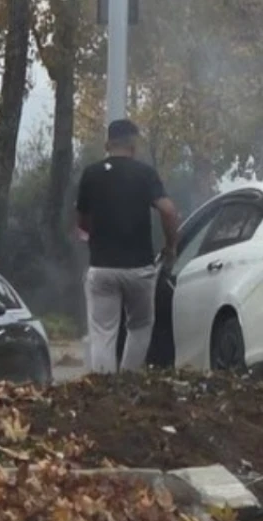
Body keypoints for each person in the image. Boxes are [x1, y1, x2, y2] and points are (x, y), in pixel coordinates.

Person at [74, 119, 181, 374]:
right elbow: (168, 210)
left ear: (107, 144)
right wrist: (171, 246)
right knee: (140, 325)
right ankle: (128, 380)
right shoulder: (145, 174)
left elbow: (81, 220)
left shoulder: (91, 174)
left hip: (101, 268)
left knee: (103, 331)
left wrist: (94, 236)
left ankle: (105, 390)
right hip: (139, 268)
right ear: (133, 145)